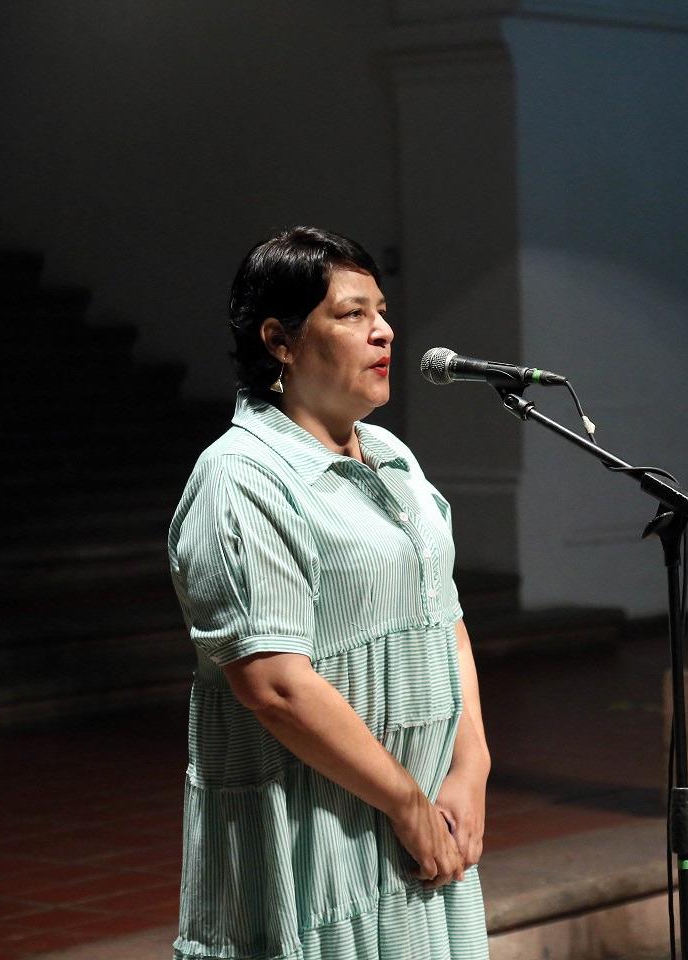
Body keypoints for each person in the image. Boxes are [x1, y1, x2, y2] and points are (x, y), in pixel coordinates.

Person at [167, 227, 490, 959]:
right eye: (351, 314)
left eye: (380, 310)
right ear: (279, 340)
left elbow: (445, 619)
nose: (384, 331)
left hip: (422, 813)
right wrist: (404, 799)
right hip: (320, 820)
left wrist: (470, 767)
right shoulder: (241, 478)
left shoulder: (393, 457)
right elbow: (276, 685)